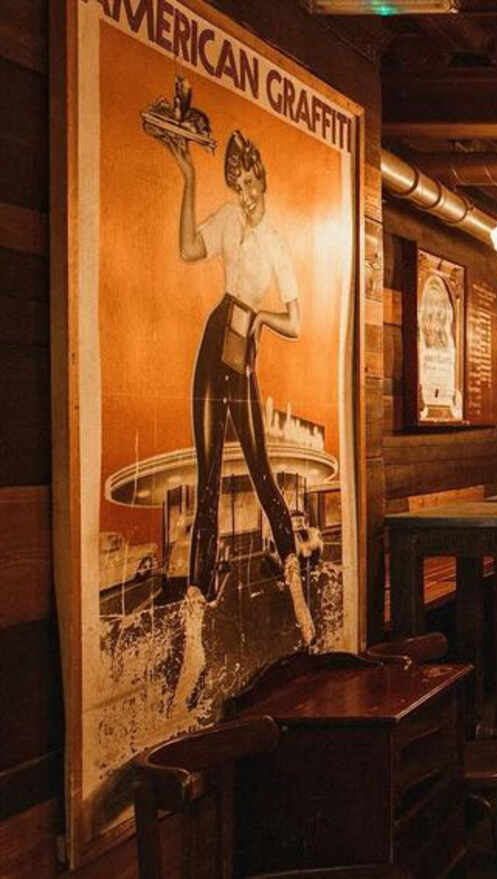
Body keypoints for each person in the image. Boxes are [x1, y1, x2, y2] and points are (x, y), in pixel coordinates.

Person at [159, 128, 315, 647]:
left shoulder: (276, 242)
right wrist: (188, 177)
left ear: (263, 182)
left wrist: (259, 318)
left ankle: (296, 593)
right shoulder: (227, 218)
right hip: (214, 341)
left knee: (262, 473)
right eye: (239, 184)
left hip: (244, 345)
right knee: (206, 484)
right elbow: (186, 249)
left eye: (252, 183)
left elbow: (294, 320)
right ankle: (195, 636)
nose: (246, 194)